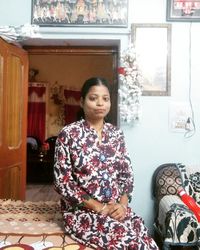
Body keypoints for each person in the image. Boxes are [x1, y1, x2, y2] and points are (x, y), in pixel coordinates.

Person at [54, 77, 159, 250]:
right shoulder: (69, 134)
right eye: (93, 98)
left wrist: (123, 206)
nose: (100, 103)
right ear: (81, 101)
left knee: (145, 238)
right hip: (83, 212)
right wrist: (99, 207)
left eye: (105, 99)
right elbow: (63, 182)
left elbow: (126, 175)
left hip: (115, 208)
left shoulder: (116, 134)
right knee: (130, 242)